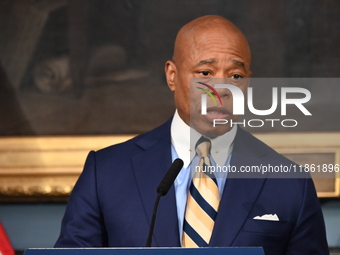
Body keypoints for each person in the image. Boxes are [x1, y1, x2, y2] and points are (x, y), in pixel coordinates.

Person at [55, 15, 329, 254]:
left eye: (235, 76)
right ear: (172, 76)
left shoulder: (290, 183)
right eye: (205, 72)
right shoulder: (105, 172)